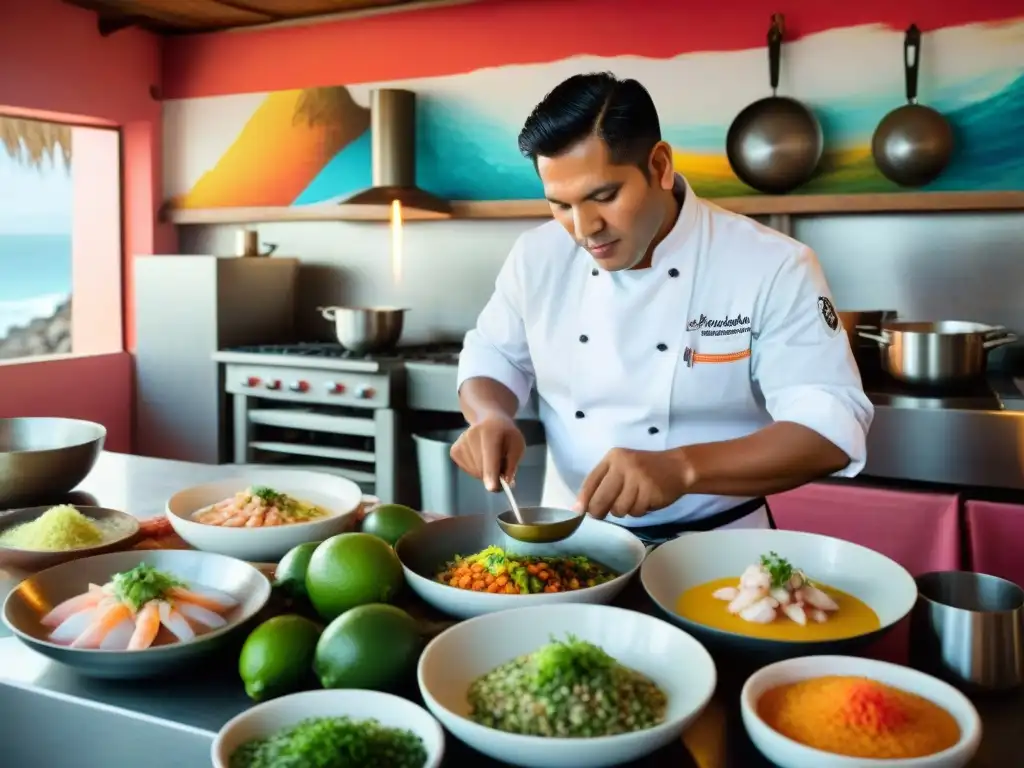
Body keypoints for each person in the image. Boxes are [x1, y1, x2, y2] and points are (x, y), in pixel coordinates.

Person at [450, 72, 873, 542]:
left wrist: (684, 468)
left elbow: (829, 428)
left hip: (721, 547)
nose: (584, 228)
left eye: (604, 196)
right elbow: (494, 355)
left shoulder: (772, 264)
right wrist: (491, 416)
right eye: (560, 205)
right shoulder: (537, 256)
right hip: (573, 540)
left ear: (660, 165)